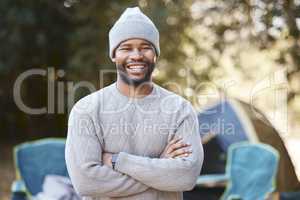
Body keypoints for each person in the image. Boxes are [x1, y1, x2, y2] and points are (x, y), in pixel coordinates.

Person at [65, 6, 204, 200]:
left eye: (145, 47)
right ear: (114, 54)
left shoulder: (180, 110)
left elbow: (186, 176)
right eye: (126, 48)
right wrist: (160, 168)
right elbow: (86, 183)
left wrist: (117, 160)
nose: (136, 55)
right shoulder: (87, 110)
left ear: (155, 54)